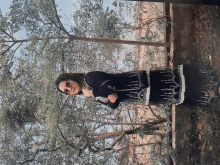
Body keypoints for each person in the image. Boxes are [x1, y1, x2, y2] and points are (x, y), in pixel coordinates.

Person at [55, 61, 219, 109]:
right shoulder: (87, 93)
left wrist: (95, 93)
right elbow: (111, 102)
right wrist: (112, 103)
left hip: (141, 83)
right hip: (140, 95)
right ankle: (210, 94)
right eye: (67, 90)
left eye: (68, 84)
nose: (70, 88)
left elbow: (110, 87)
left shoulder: (90, 78)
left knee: (176, 82)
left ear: (71, 78)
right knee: (175, 94)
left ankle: (210, 84)